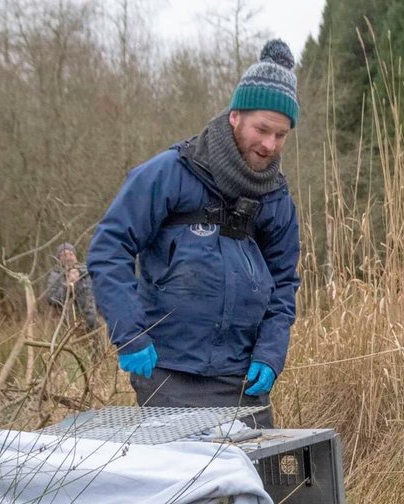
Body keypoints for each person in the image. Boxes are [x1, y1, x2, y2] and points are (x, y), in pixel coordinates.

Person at [86, 39, 301, 429]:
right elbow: (109, 248)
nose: (270, 145)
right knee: (188, 489)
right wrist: (129, 332)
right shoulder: (170, 172)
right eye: (262, 129)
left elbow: (284, 284)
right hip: (168, 372)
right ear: (235, 116)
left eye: (281, 135)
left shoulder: (277, 199)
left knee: (252, 487)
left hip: (244, 381)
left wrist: (271, 353)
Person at [44, 242, 98, 331]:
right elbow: (52, 299)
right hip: (70, 328)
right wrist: (68, 284)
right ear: (59, 259)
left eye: (71, 254)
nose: (68, 258)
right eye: (64, 255)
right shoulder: (55, 275)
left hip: (94, 324)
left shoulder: (88, 272)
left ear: (75, 256)